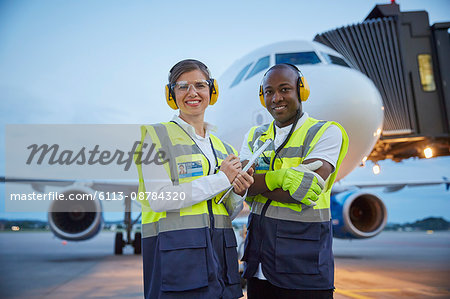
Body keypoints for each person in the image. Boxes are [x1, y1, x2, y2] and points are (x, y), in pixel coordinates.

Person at [135, 59, 253, 298]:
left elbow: (224, 212)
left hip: (221, 261)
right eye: (182, 86)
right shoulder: (154, 137)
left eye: (199, 85)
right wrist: (222, 179)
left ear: (212, 90)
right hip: (178, 260)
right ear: (171, 94)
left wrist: (238, 193)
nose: (192, 93)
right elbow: (160, 199)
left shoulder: (224, 147)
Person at [240, 64, 349, 299]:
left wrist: (256, 183)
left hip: (305, 269)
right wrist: (281, 178)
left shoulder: (326, 132)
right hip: (259, 268)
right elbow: (240, 187)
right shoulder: (254, 136)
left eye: (284, 89)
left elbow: (304, 189)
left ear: (302, 91)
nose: (276, 98)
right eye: (269, 91)